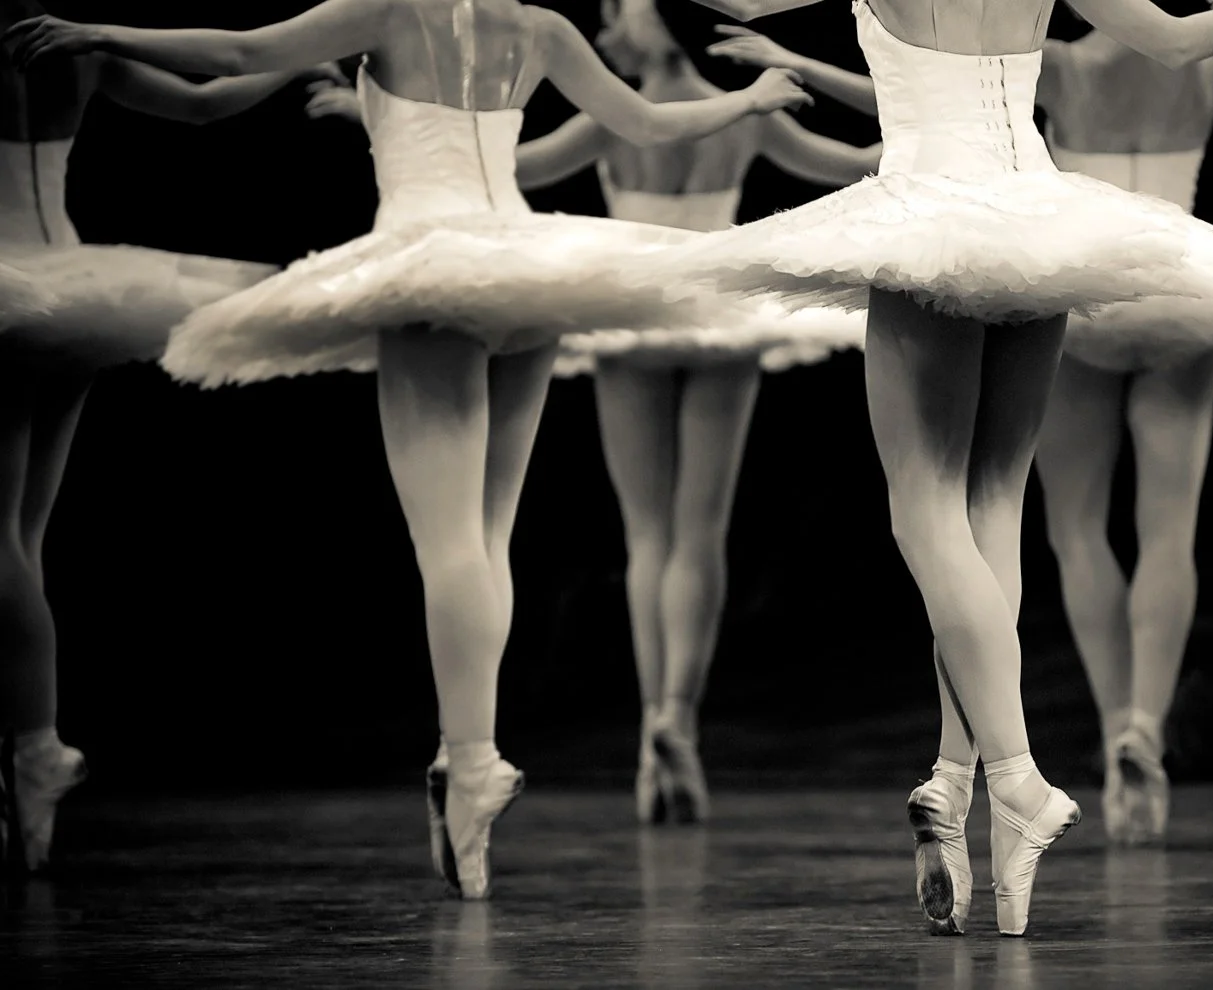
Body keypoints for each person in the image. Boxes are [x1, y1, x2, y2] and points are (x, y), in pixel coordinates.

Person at [5, 0, 808, 899]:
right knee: (491, 535)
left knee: (448, 540)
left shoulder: (384, 9)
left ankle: (474, 757)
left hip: (430, 261)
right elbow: (648, 121)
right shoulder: (538, 25)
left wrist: (106, 31)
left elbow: (237, 51)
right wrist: (749, 100)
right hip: (529, 267)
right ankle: (473, 760)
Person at [670, 0, 1213, 937]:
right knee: (993, 509)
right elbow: (1179, 39)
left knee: (924, 507)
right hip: (1039, 220)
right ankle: (956, 778)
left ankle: (1018, 780)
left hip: (931, 214)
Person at [0, 0, 344, 873]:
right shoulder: (74, 50)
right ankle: (28, 755)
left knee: (5, 540)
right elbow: (201, 103)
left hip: (14, 286)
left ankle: (35, 742)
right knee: (23, 537)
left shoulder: (57, 48)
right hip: (71, 283)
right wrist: (297, 64)